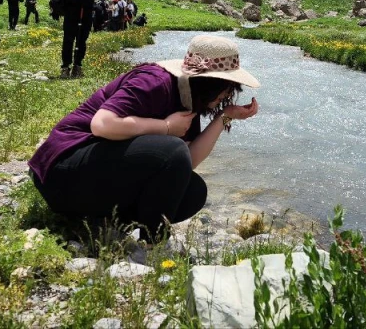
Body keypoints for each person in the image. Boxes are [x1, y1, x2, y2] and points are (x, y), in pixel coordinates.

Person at [27, 35, 261, 244]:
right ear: (212, 82)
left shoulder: (190, 97)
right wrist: (166, 127)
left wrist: (224, 116)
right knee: (173, 149)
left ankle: (103, 222)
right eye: (228, 87)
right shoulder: (154, 80)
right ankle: (151, 245)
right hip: (61, 170)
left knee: (193, 191)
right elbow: (102, 124)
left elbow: (185, 163)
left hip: (90, 177)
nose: (228, 94)